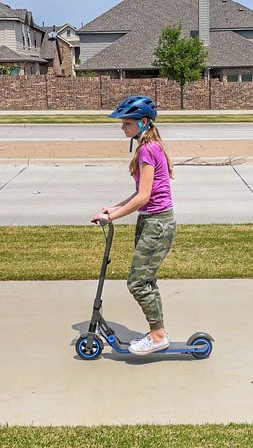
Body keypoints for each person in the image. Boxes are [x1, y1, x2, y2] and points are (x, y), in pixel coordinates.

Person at [91, 96, 177, 356]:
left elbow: (144, 196)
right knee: (146, 280)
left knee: (138, 283)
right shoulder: (149, 146)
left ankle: (158, 336)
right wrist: (114, 208)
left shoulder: (147, 150)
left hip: (157, 223)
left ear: (142, 122)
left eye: (126, 123)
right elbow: (140, 193)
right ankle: (157, 332)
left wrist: (112, 218)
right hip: (151, 220)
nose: (122, 128)